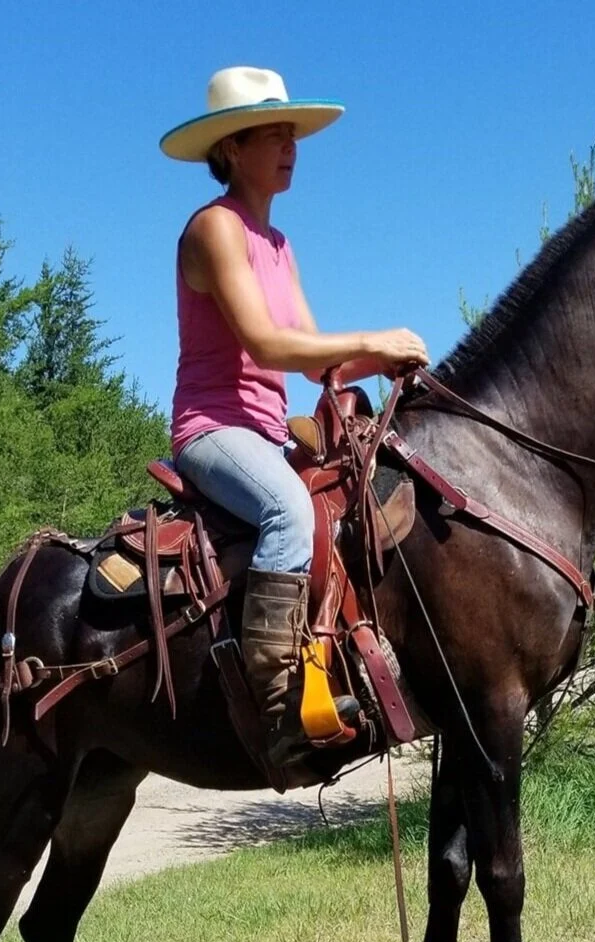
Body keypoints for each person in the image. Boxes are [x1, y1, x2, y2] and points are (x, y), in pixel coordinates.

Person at [160, 67, 428, 766]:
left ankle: (336, 666)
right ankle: (276, 710)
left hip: (265, 433)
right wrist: (371, 339)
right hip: (212, 431)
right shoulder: (214, 228)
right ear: (231, 148)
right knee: (286, 508)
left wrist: (393, 363)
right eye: (274, 134)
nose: (290, 146)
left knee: (346, 502)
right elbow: (267, 343)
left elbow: (313, 364)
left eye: (292, 135)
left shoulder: (278, 246)